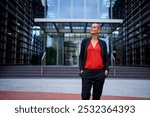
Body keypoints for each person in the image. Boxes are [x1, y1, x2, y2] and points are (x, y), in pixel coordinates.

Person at [79, 23, 109, 100]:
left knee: (96, 96)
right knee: (85, 96)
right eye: (91, 27)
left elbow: (105, 57)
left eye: (94, 27)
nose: (91, 28)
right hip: (87, 72)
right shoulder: (85, 41)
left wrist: (106, 69)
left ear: (99, 30)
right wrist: (81, 68)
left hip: (99, 73)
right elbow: (81, 56)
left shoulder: (103, 43)